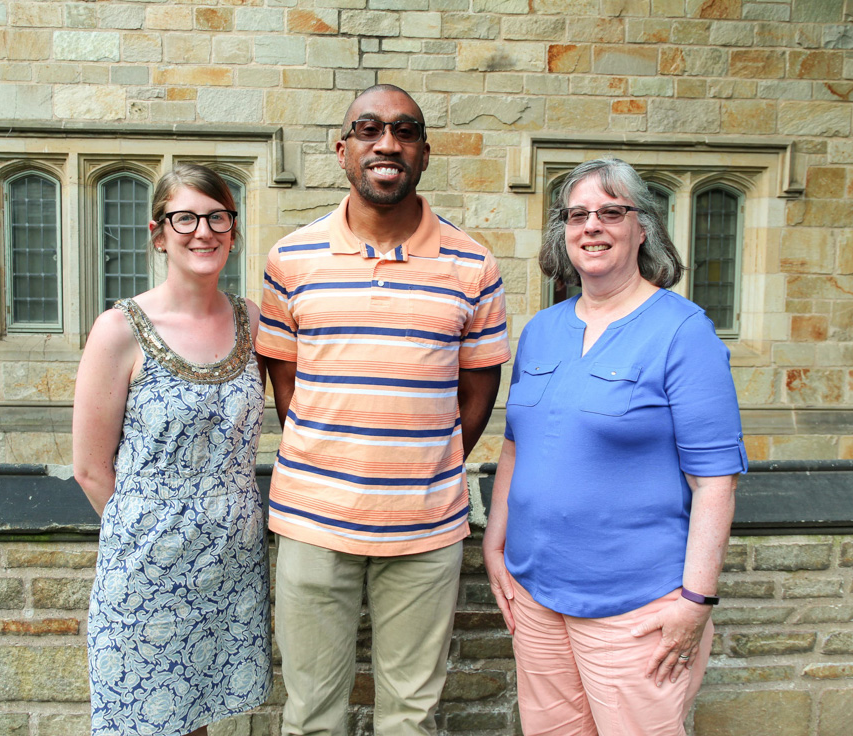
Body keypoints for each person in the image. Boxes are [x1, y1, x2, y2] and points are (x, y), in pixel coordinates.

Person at [255, 84, 510, 736]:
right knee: (312, 716)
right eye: (368, 130)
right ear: (343, 151)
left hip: (426, 529)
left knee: (411, 717)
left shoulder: (474, 264)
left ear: (424, 153)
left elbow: (479, 389)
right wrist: (333, 453)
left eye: (404, 130)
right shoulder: (290, 260)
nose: (386, 143)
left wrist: (425, 460)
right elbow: (286, 383)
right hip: (313, 523)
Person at [483, 157, 747, 736]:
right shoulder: (542, 330)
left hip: (637, 609)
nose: (592, 226)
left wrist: (696, 601)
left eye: (611, 211)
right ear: (563, 231)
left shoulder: (683, 332)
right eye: (577, 214)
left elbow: (715, 481)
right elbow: (515, 446)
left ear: (643, 226)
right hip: (536, 594)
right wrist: (495, 544)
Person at [72, 163, 271, 736]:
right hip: (146, 575)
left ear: (232, 231)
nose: (202, 231)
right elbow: (89, 468)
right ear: (159, 232)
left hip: (229, 571)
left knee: (199, 721)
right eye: (185, 218)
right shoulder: (120, 329)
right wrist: (154, 537)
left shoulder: (253, 323)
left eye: (217, 218)